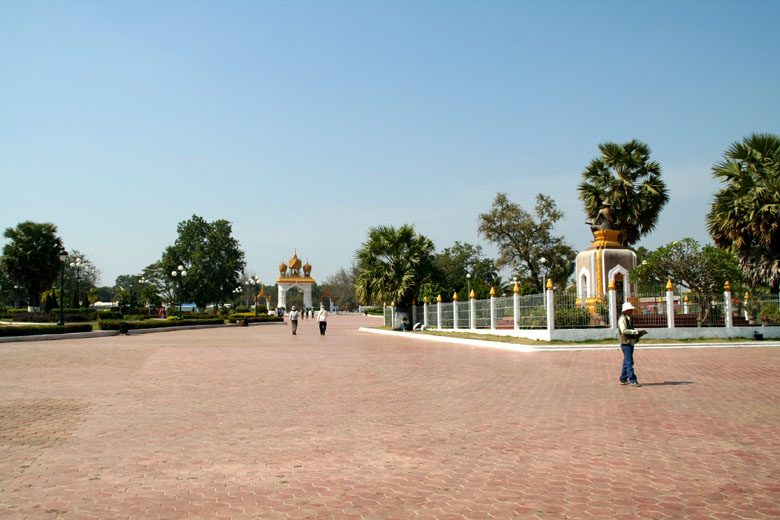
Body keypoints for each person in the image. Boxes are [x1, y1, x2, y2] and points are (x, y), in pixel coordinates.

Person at [618, 301, 648, 387]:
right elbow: (624, 331)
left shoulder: (627, 318)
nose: (631, 311)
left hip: (629, 342)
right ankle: (633, 380)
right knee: (629, 362)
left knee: (626, 361)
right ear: (626, 310)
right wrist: (635, 332)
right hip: (626, 342)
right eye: (630, 309)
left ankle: (623, 379)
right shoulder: (622, 319)